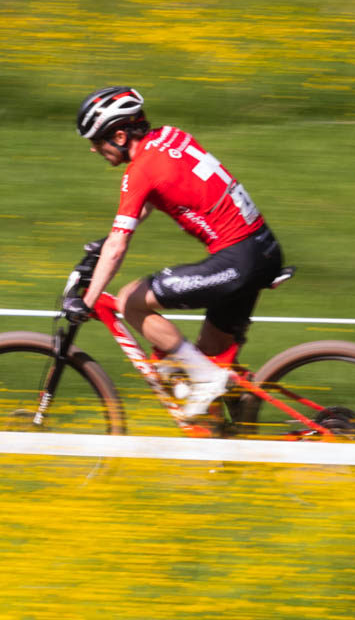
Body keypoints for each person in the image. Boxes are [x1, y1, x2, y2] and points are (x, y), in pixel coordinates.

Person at [61, 86, 286, 417]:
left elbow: (119, 247)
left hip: (238, 258)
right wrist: (106, 241)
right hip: (261, 250)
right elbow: (153, 199)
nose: (94, 149)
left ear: (120, 136)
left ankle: (208, 380)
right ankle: (232, 426)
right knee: (207, 357)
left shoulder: (140, 170)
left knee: (129, 300)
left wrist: (87, 301)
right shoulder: (170, 136)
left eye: (97, 141)